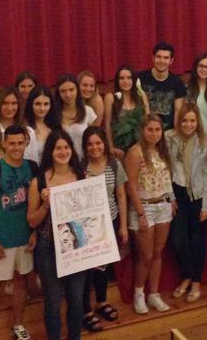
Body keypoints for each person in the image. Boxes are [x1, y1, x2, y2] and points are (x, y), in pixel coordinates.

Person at [27, 129, 87, 340]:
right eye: (57, 148)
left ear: (72, 149)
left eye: (66, 147)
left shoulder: (82, 177)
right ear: (50, 152)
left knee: (76, 299)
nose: (63, 152)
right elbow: (32, 220)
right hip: (48, 247)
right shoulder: (38, 182)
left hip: (77, 247)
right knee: (53, 301)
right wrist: (45, 205)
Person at [0, 125, 37, 340]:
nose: (16, 147)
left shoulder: (33, 167)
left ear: (26, 143)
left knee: (21, 283)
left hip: (25, 238)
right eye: (11, 143)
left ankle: (18, 325)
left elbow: (37, 204)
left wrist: (34, 232)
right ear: (4, 144)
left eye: (20, 143)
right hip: (1, 239)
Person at [125, 114, 174, 314]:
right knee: (145, 256)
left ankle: (154, 294)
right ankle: (138, 293)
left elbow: (166, 177)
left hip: (162, 205)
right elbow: (131, 186)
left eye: (157, 130)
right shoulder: (135, 153)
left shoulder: (162, 150)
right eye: (150, 130)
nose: (154, 134)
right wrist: (140, 213)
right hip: (144, 207)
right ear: (142, 131)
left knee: (157, 253)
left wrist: (171, 198)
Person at [81, 127, 128, 331]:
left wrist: (123, 225)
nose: (95, 147)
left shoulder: (114, 164)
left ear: (104, 144)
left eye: (98, 143)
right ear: (85, 147)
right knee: (86, 270)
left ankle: (101, 301)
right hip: (87, 226)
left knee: (103, 267)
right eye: (90, 144)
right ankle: (85, 310)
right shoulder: (80, 166)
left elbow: (121, 195)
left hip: (110, 221)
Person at [166, 104, 207, 303]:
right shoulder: (169, 138)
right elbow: (165, 169)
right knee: (178, 239)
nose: (188, 124)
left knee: (196, 240)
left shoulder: (203, 142)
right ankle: (186, 275)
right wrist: (170, 196)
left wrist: (206, 205)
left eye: (192, 120)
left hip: (197, 195)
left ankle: (196, 281)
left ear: (197, 121)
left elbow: (206, 173)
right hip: (177, 194)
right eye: (185, 120)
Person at [0, 86, 39, 178]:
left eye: (14, 103)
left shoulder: (29, 132)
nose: (10, 108)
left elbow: (34, 167)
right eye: (5, 103)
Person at [138, 42, 187, 130]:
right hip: (144, 130)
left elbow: (178, 112)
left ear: (171, 60)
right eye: (158, 57)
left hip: (168, 132)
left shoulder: (178, 83)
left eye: (166, 58)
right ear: (153, 58)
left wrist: (176, 134)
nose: (161, 61)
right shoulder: (140, 79)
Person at [103, 65, 149, 158]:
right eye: (121, 78)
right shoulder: (110, 97)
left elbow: (148, 121)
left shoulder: (141, 96)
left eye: (129, 78)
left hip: (139, 145)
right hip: (119, 147)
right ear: (117, 81)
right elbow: (107, 124)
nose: (125, 81)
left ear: (134, 80)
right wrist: (111, 147)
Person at [55, 75, 97, 160]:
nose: (68, 94)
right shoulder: (54, 114)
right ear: (58, 93)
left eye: (71, 90)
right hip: (62, 160)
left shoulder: (88, 111)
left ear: (77, 90)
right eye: (63, 91)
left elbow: (95, 138)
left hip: (84, 160)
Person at [25, 86, 59, 161]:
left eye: (46, 104)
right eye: (37, 104)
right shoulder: (24, 127)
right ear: (30, 104)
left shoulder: (55, 126)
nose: (42, 108)